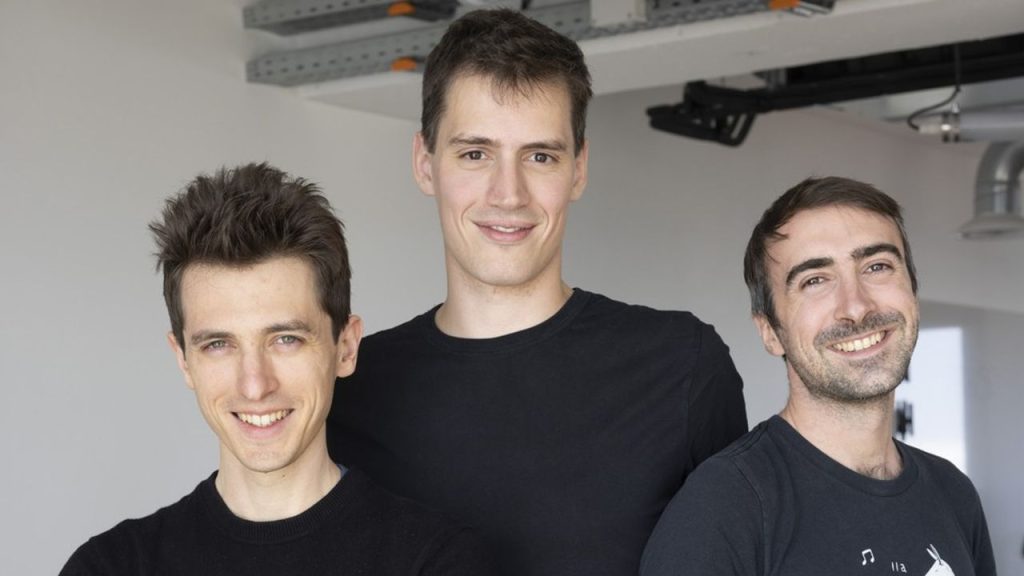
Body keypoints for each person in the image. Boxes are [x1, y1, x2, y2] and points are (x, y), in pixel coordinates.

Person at [327, 9, 747, 576]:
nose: (509, 194)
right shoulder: (349, 391)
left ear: (579, 169)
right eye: (475, 154)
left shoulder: (681, 367)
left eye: (540, 156)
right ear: (425, 164)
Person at [61, 163, 495, 575]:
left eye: (286, 339)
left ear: (346, 347)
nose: (255, 385)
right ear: (183, 360)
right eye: (218, 345)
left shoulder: (436, 561)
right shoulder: (112, 566)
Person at [640, 176, 997, 576]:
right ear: (770, 332)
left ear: (913, 293)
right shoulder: (724, 507)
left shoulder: (953, 494)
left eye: (877, 266)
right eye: (814, 281)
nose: (856, 307)